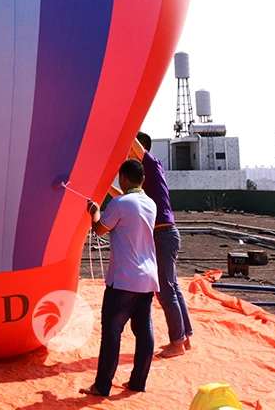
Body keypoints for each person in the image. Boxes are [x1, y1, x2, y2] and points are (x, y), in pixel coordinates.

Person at [81, 159, 159, 398]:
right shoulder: (151, 204)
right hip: (147, 280)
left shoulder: (120, 203)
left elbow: (100, 229)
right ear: (142, 180)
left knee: (112, 333)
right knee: (143, 331)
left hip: (123, 280)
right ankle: (137, 382)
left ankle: (102, 385)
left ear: (122, 178)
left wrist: (95, 212)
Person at [137, 130, 193, 357]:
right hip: (166, 234)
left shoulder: (150, 164)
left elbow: (134, 143)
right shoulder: (145, 177)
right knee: (173, 287)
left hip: (164, 234)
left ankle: (177, 343)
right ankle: (185, 336)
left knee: (165, 290)